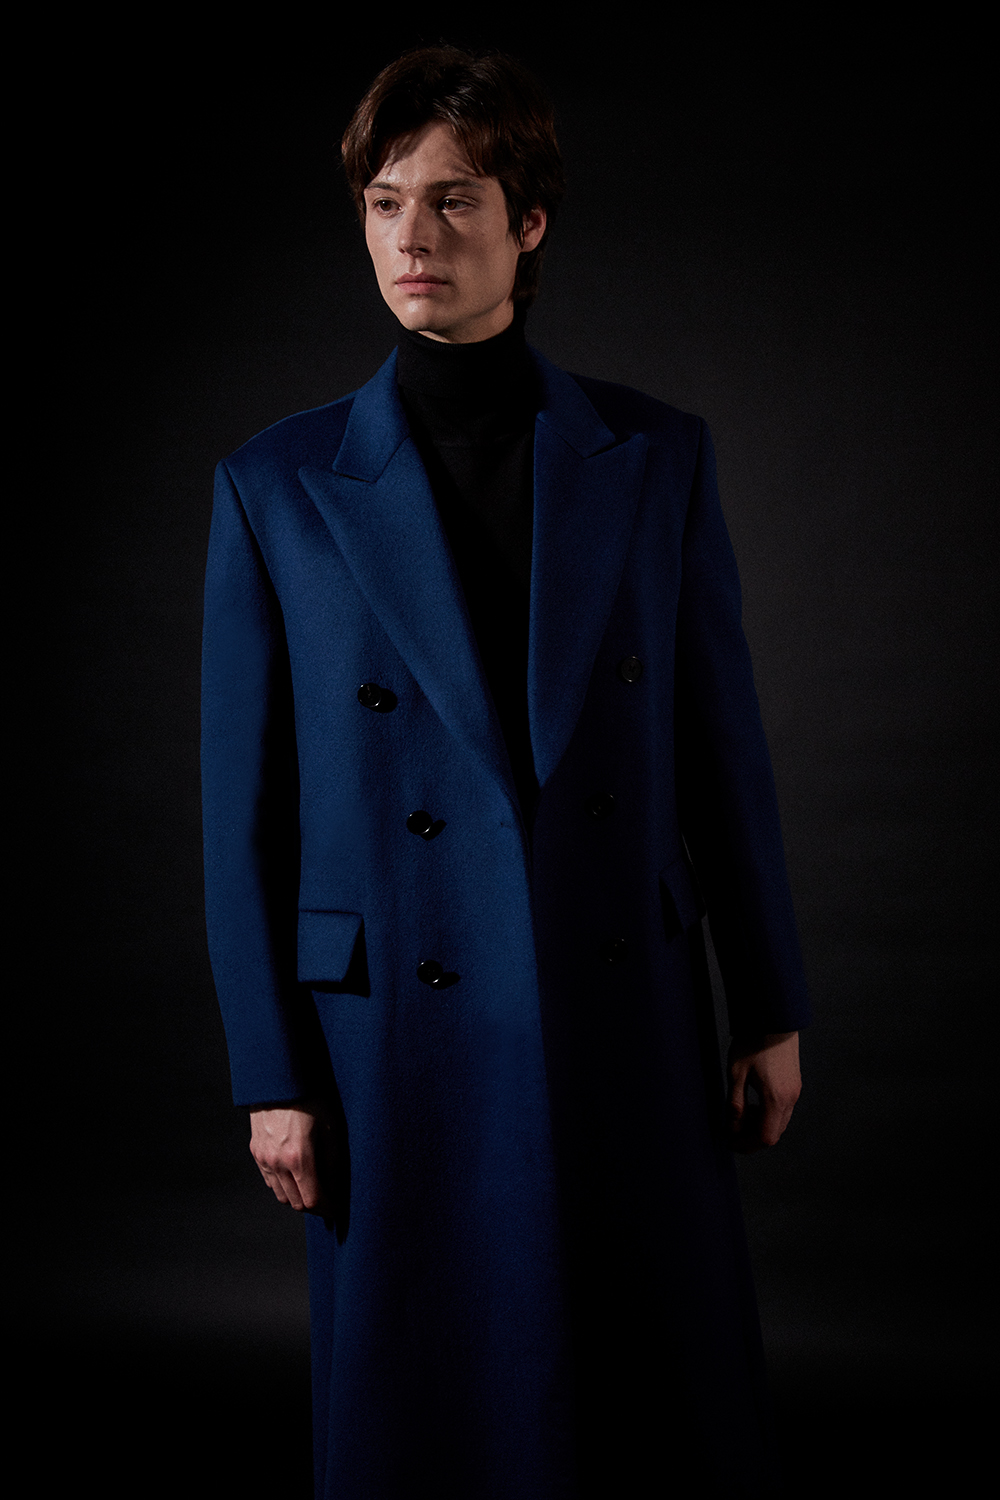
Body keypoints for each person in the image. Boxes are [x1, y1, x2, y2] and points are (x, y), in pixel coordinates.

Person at [201, 44, 810, 1500]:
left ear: (528, 224)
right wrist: (271, 1074)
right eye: (385, 202)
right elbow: (242, 815)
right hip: (389, 1032)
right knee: (428, 1398)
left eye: (455, 199)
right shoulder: (275, 485)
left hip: (623, 1002)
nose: (413, 237)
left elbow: (721, 751)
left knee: (643, 1388)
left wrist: (769, 1003)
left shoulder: (655, 458)